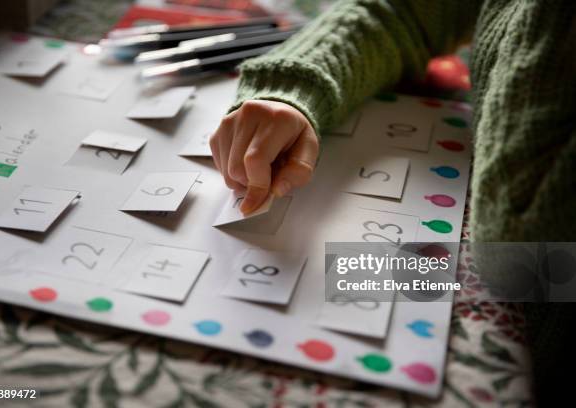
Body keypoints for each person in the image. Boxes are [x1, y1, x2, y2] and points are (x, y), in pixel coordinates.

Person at [210, 0, 576, 404]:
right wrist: (290, 94)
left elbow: (519, 246)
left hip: (544, 323)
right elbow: (397, 11)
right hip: (488, 278)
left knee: (323, 283)